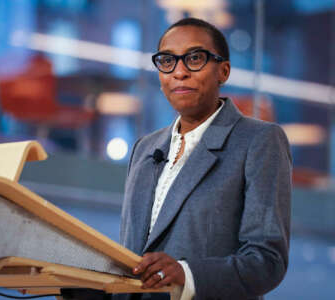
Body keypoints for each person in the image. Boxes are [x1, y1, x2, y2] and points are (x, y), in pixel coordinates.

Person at [120, 17, 292, 300]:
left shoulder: (259, 141)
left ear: (223, 71)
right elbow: (132, 258)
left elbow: (267, 261)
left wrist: (186, 274)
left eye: (195, 58)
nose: (179, 72)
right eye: (167, 61)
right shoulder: (144, 148)